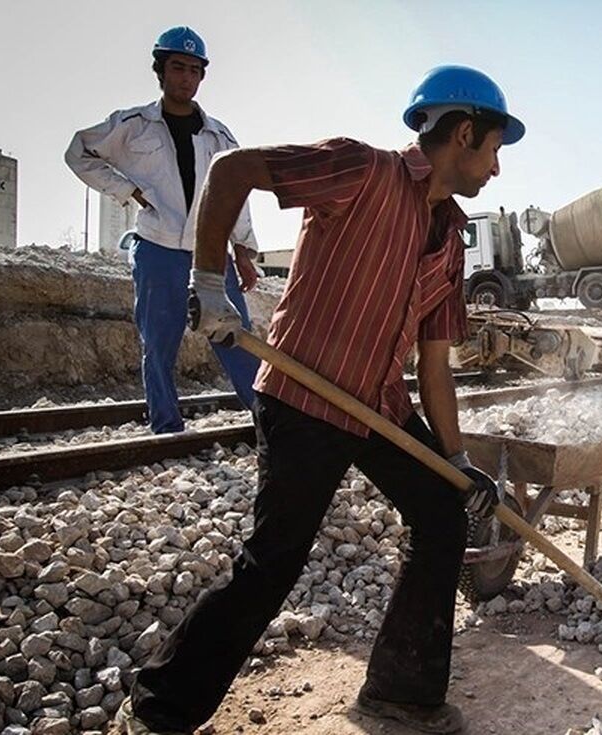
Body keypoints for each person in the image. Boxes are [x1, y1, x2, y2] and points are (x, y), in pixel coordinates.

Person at [114, 65, 523, 735]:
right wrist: (211, 282)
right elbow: (231, 172)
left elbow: (435, 362)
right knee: (273, 561)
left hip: (378, 408)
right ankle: (158, 709)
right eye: (494, 149)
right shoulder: (360, 170)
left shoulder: (450, 241)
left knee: (442, 513)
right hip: (305, 394)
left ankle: (401, 691)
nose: (497, 169)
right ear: (465, 132)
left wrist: (455, 458)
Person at [65, 26, 261, 433]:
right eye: (177, 67)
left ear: (202, 76)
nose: (186, 77)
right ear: (160, 71)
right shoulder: (133, 126)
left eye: (194, 70)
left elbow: (236, 196)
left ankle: (267, 422)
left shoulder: (220, 136)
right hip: (157, 250)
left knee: (236, 339)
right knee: (159, 344)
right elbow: (79, 151)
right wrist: (126, 189)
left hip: (210, 255)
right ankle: (167, 429)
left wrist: (244, 251)